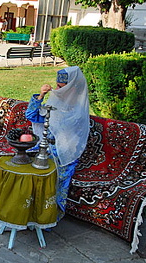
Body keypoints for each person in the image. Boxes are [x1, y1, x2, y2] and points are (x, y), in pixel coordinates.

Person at [25, 66, 90, 221]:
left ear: (72, 89)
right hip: (45, 147)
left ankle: (46, 216)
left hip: (65, 155)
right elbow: (32, 115)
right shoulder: (55, 105)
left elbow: (70, 142)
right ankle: (26, 210)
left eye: (61, 88)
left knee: (52, 179)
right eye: (57, 87)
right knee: (23, 166)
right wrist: (41, 95)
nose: (57, 90)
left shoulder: (79, 111)